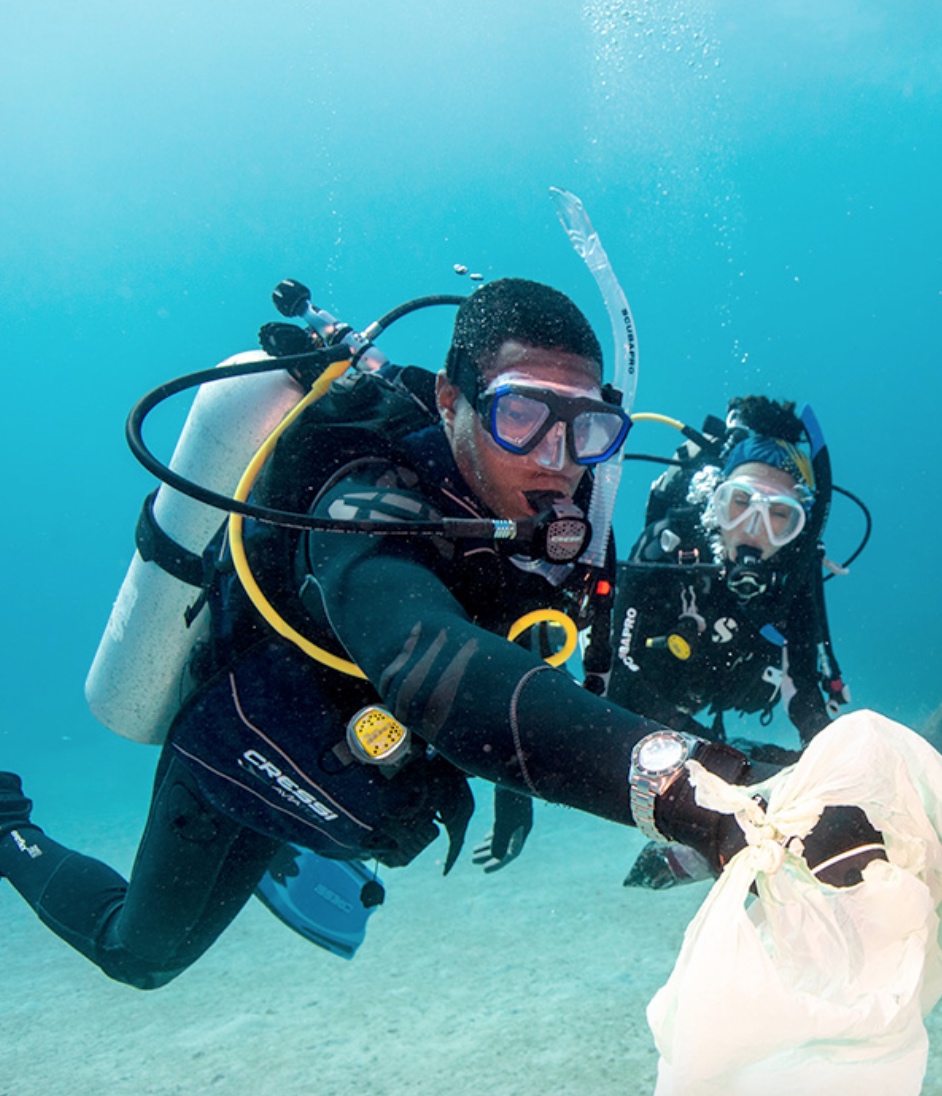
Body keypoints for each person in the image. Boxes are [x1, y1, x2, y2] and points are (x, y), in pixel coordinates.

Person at [0, 280, 881, 989]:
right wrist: (721, 800)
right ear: (454, 400)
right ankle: (6, 827)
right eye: (521, 415)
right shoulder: (364, 503)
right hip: (246, 754)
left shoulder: (569, 510)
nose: (553, 456)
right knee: (143, 957)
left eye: (585, 427)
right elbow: (433, 666)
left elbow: (536, 662)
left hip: (369, 767)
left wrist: (522, 784)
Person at [606, 395, 861, 887]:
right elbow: (617, 685)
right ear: (714, 501)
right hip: (652, 701)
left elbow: (804, 693)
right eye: (740, 504)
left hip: (722, 699)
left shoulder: (793, 578)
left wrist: (834, 763)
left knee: (804, 767)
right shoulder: (668, 550)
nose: (753, 531)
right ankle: (704, 836)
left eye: (779, 516)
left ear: (798, 527)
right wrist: (725, 764)